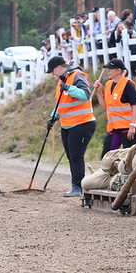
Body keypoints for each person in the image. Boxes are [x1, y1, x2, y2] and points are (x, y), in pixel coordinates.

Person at [46, 56, 96, 197]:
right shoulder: (61, 81)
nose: (52, 74)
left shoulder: (77, 76)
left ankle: (78, 187)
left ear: (58, 68)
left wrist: (69, 88)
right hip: (67, 125)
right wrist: (53, 116)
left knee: (76, 156)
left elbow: (85, 94)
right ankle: (75, 186)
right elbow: (61, 104)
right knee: (71, 156)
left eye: (52, 71)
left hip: (82, 123)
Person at [94, 59, 136, 159]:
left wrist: (133, 126)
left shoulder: (128, 84)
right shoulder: (108, 84)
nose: (108, 71)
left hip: (128, 127)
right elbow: (105, 107)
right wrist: (99, 92)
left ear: (119, 70)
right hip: (113, 127)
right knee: (107, 156)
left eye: (110, 69)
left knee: (128, 158)